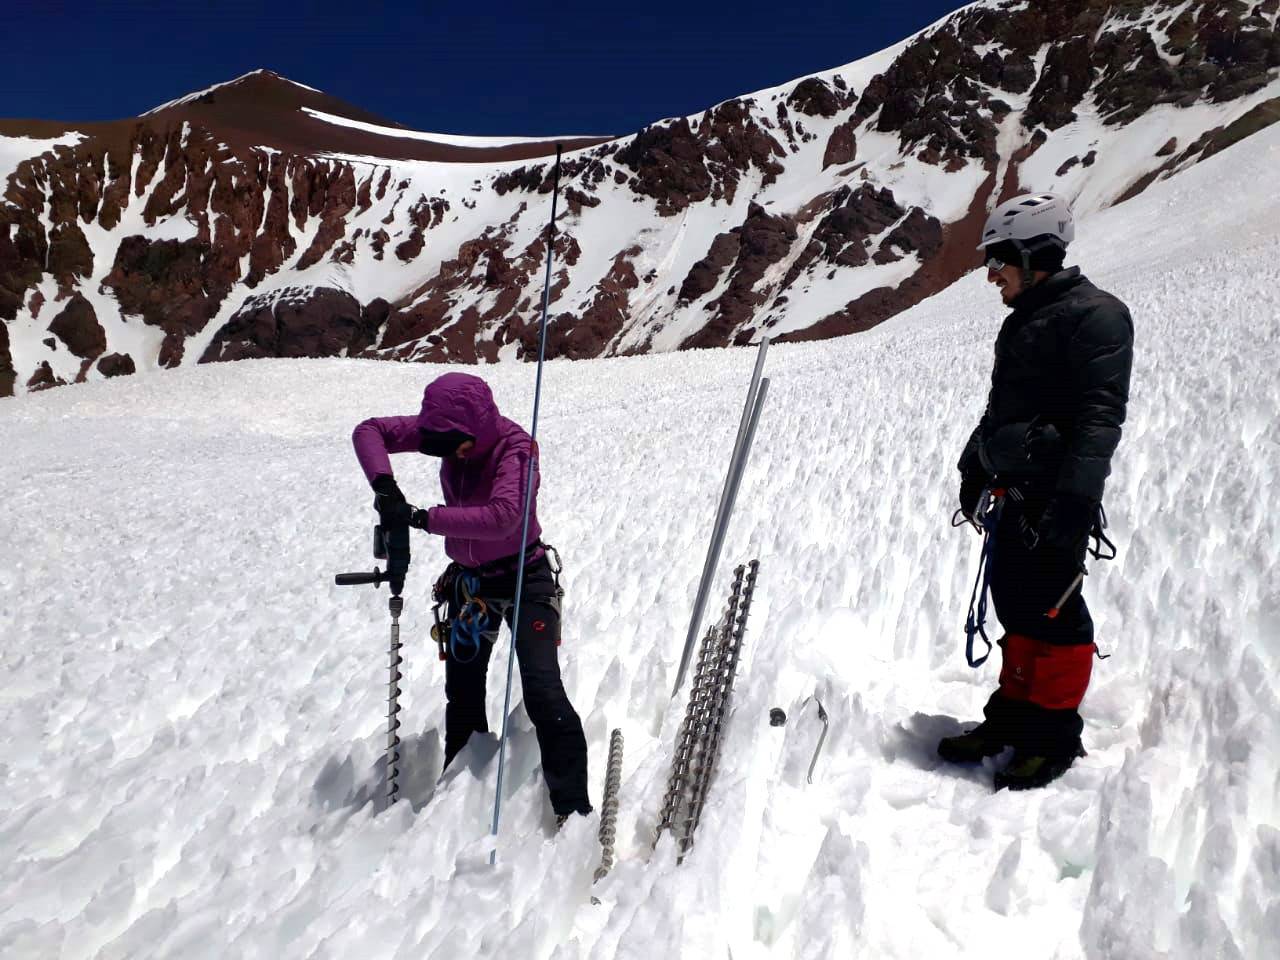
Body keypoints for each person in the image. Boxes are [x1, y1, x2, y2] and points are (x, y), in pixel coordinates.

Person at [939, 192, 1134, 790]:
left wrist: (1075, 503)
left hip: (1052, 497)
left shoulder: (1097, 315)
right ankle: (1014, 719)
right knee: (1016, 608)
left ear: (1032, 254)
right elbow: (1002, 410)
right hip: (1013, 495)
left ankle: (1052, 737)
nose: (991, 273)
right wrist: (973, 467)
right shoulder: (1024, 319)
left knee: (1055, 615)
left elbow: (1099, 420)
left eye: (998, 259)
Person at [352, 372, 592, 820]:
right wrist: (384, 487)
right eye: (439, 447)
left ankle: (573, 811)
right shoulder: (446, 432)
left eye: (455, 446)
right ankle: (458, 800)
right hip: (471, 584)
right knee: (462, 692)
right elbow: (370, 431)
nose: (449, 455)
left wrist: (423, 518)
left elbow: (504, 517)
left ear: (476, 431)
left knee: (543, 691)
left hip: (525, 576)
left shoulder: (516, 450)